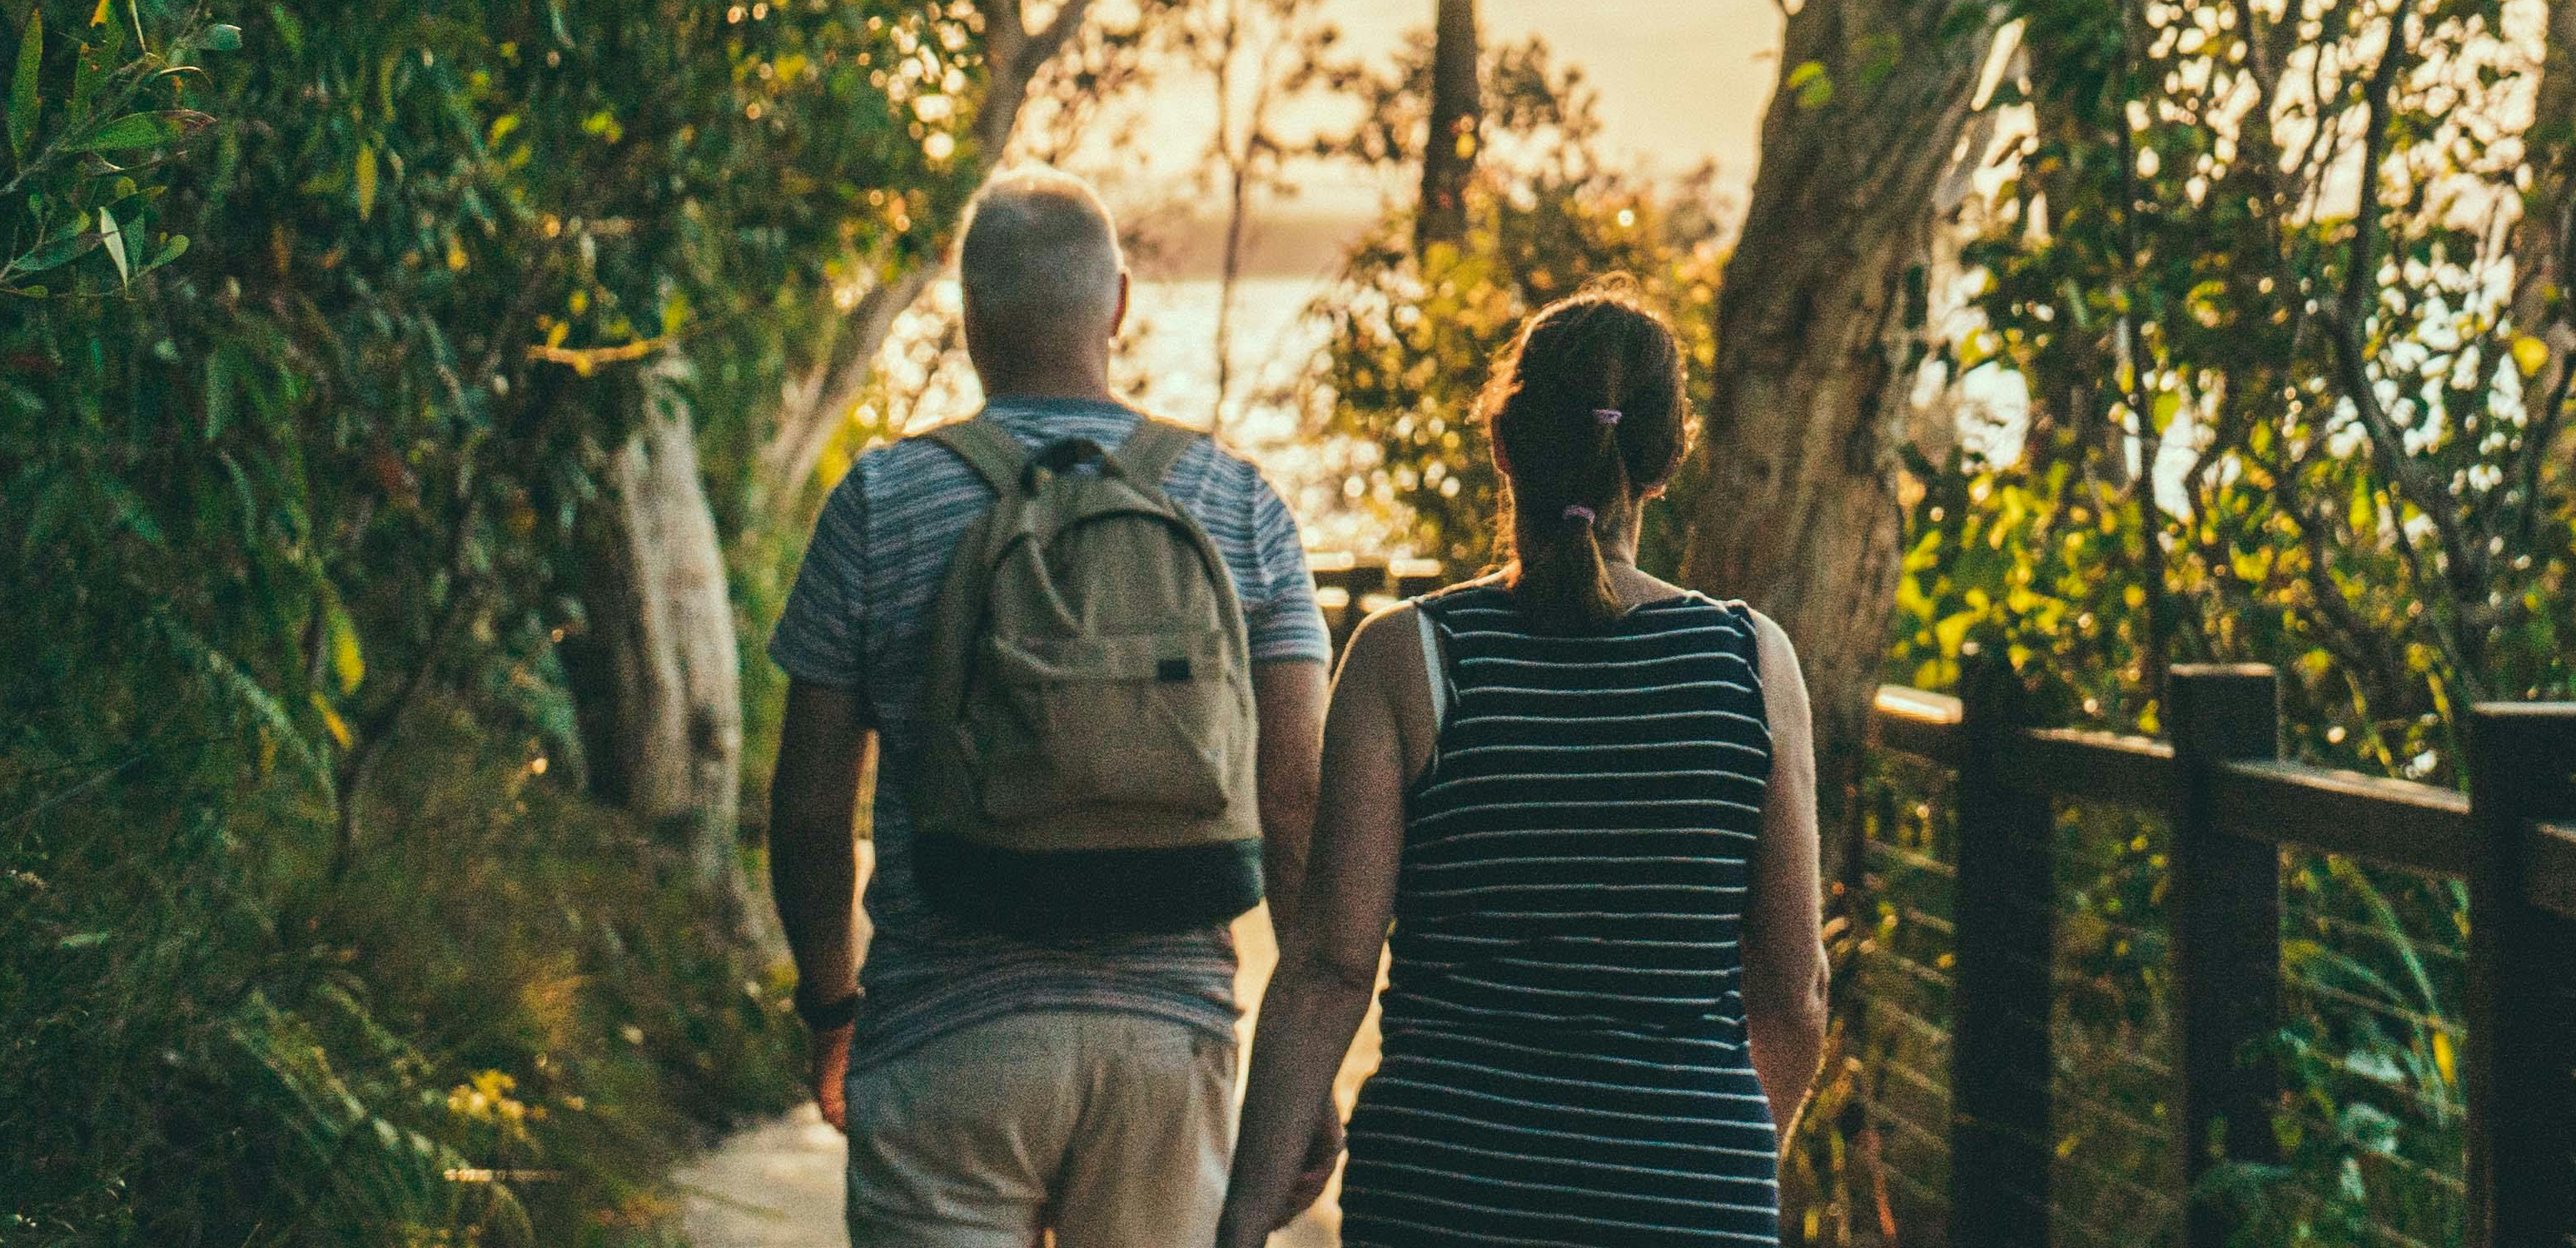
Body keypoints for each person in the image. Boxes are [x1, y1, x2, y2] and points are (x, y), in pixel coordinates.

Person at [768, 167, 1338, 1246]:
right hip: (1168, 1051)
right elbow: (1300, 802)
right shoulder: (1239, 500)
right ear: (1119, 302)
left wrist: (830, 1010)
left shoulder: (880, 504)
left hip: (945, 1035)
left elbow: (805, 811)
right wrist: (1307, 1070)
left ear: (968, 311)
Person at [1216, 292, 1828, 1246]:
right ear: (1666, 459)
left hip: (1443, 1189)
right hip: (1685, 1195)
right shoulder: (1751, 662)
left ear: (1501, 443)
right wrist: (1721, 1159)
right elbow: (1793, 993)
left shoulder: (1405, 658)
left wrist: (1245, 1215)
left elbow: (1331, 966)